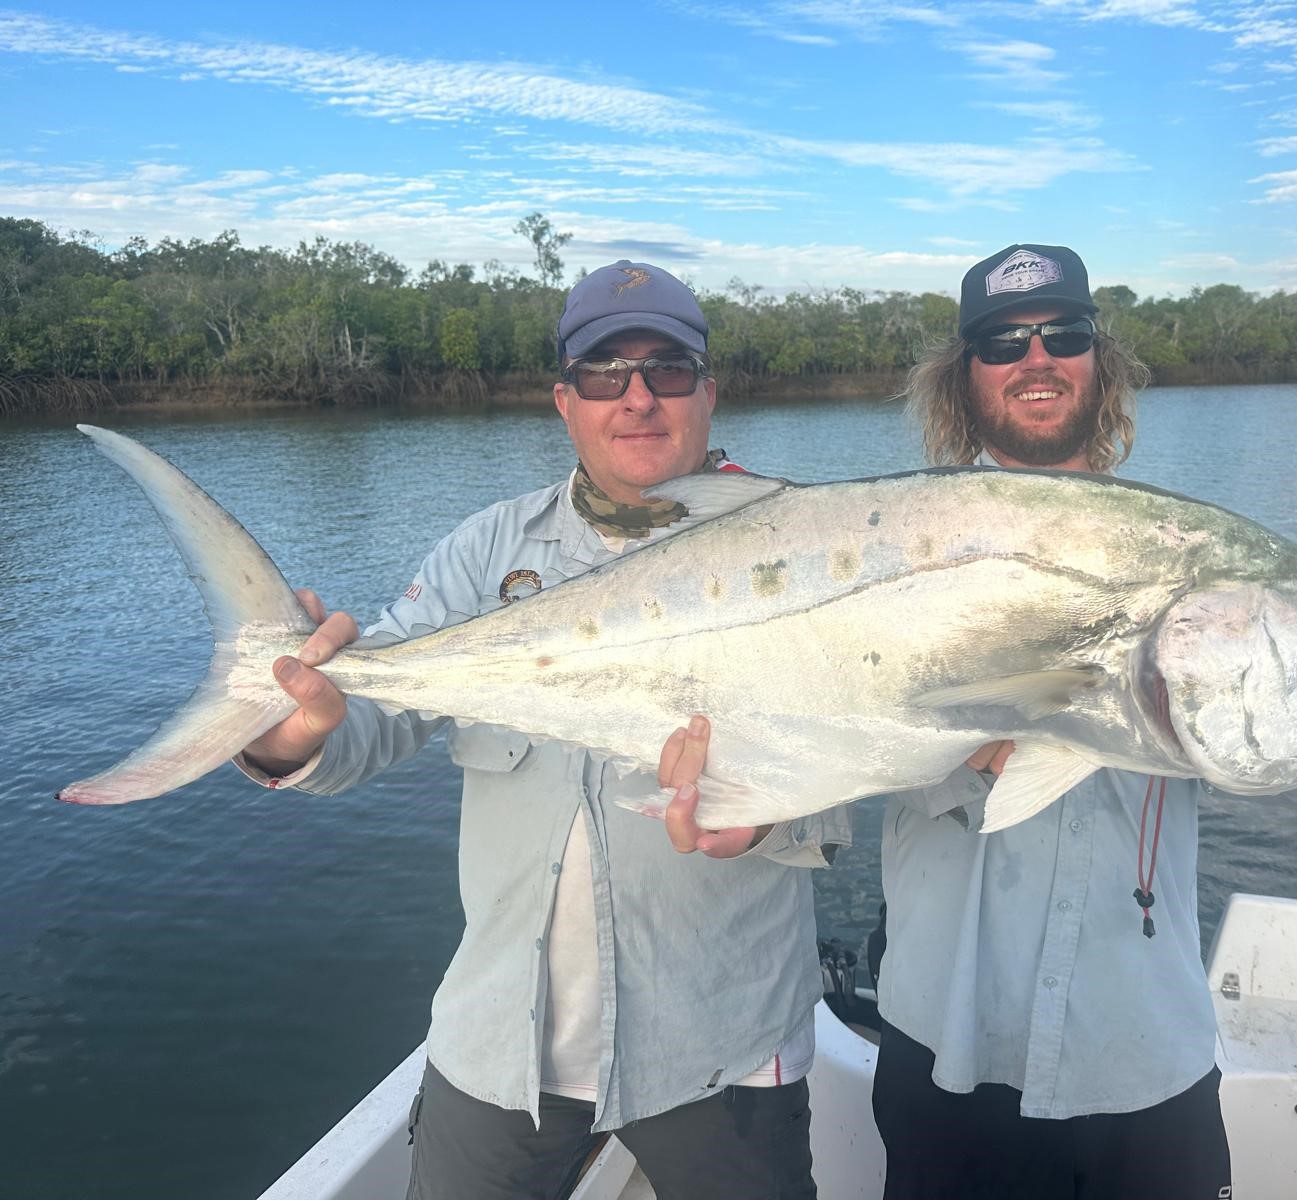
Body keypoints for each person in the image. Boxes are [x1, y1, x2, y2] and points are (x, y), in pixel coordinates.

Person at [237, 261, 844, 1200]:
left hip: (724, 1038)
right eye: (606, 372)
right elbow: (378, 720)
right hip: (501, 1047)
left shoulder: (805, 542)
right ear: (566, 401)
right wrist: (289, 732)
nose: (638, 398)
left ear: (708, 392)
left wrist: (768, 820)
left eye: (668, 369)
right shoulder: (488, 552)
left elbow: (860, 756)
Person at [863, 243, 1297, 1199]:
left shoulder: (1203, 562)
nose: (1035, 357)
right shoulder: (886, 558)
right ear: (965, 379)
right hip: (946, 1045)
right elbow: (831, 731)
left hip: (1143, 1055)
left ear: (1100, 360)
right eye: (1002, 341)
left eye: (1063, 333)